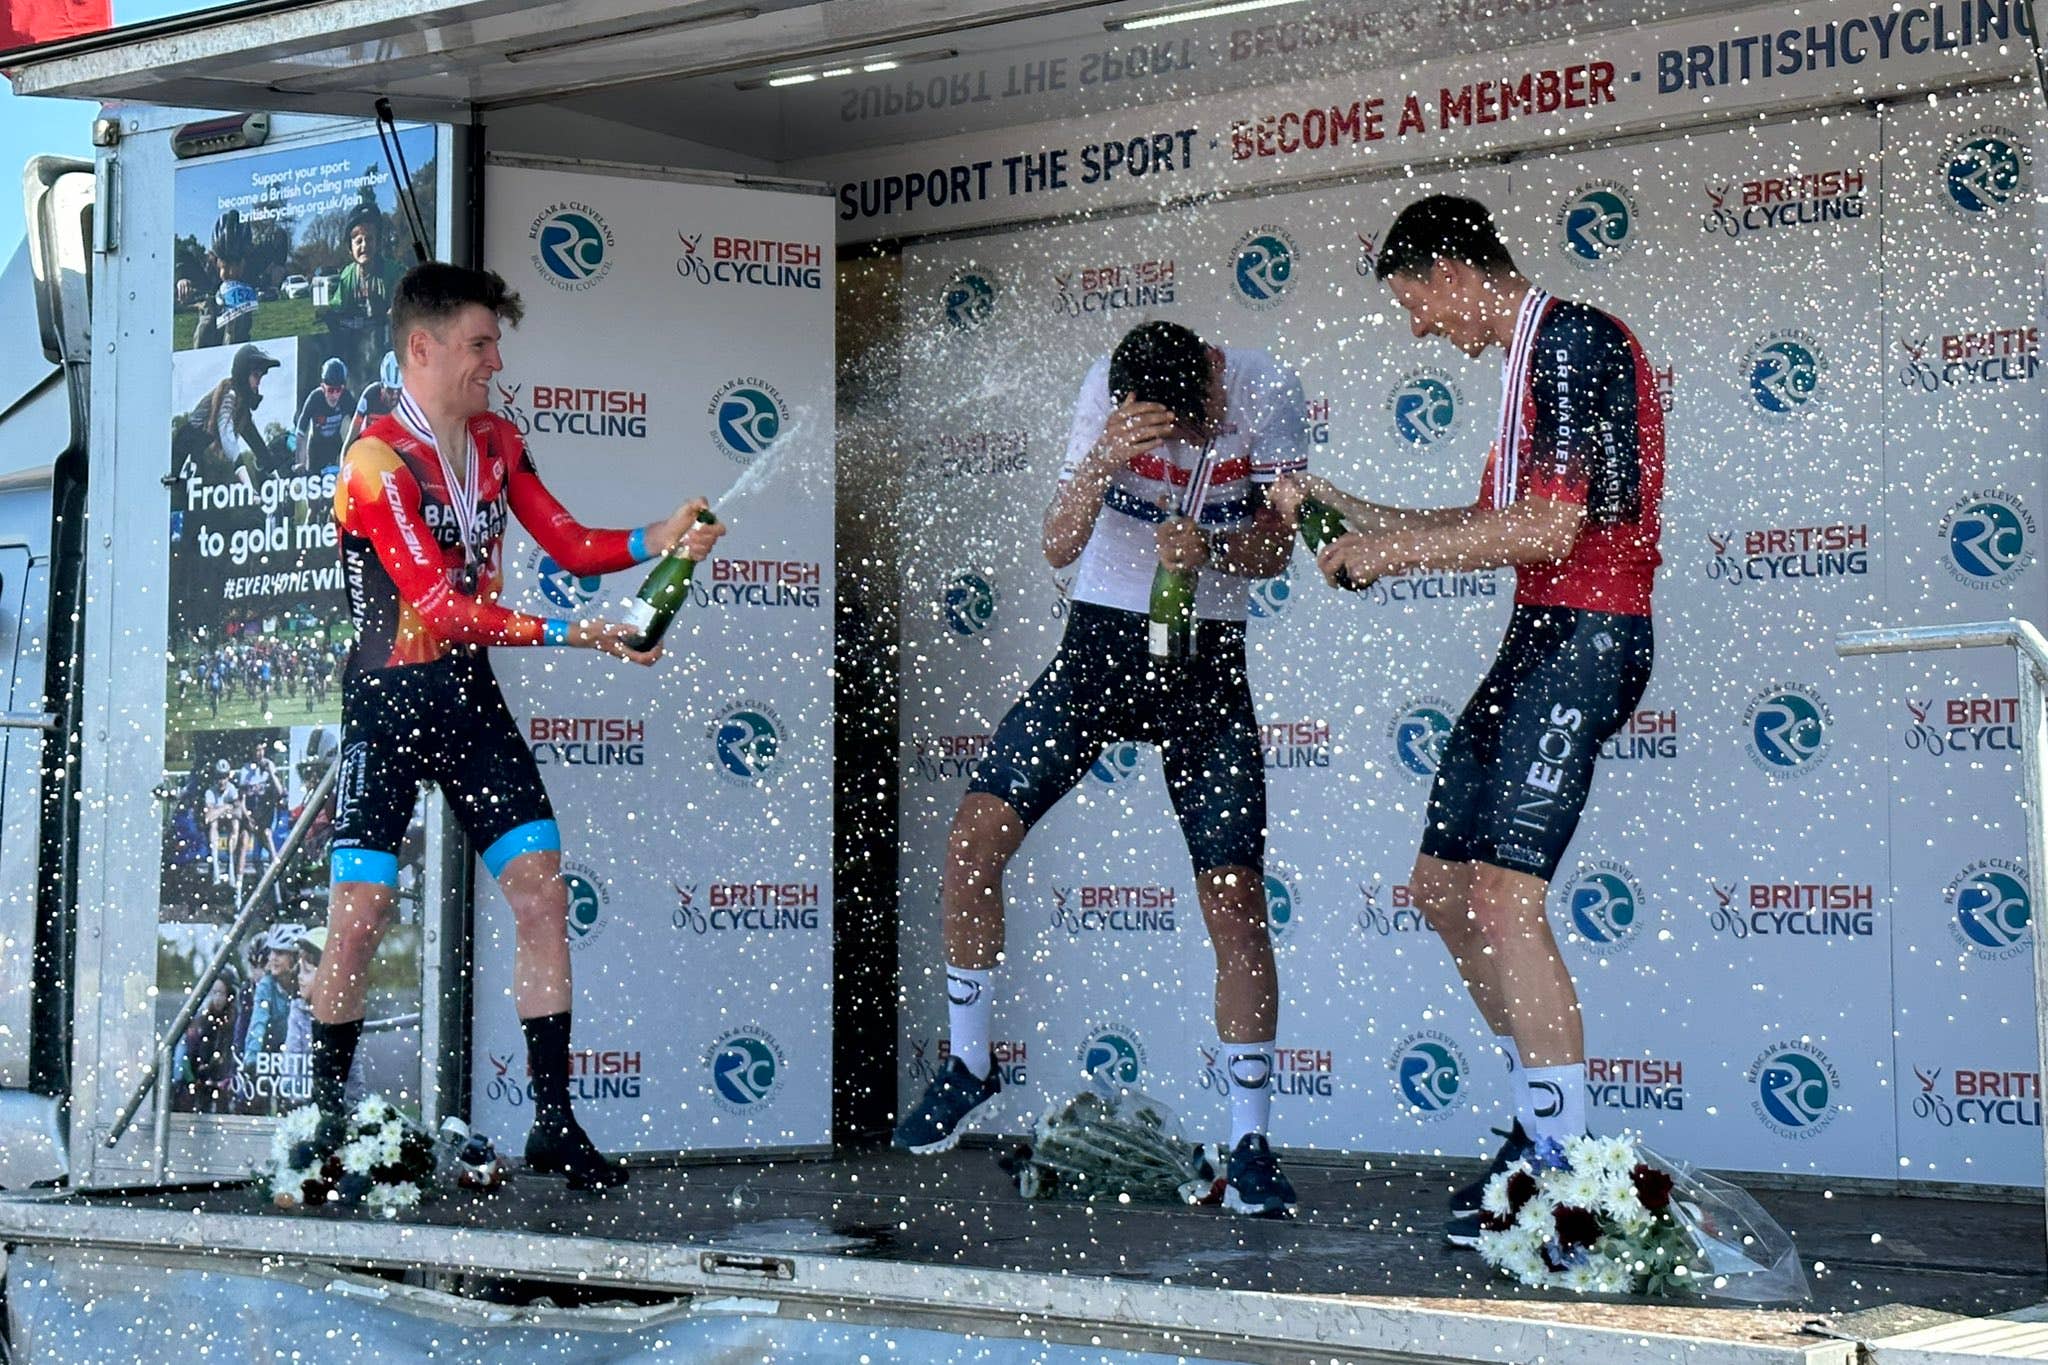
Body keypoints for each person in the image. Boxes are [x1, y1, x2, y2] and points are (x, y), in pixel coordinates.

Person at [1269, 194, 1663, 1246]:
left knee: (1499, 895)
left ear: (1451, 269)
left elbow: (1544, 528)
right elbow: (1483, 523)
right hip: (1540, 635)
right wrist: (1346, 509)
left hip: (1587, 636)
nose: (1419, 329)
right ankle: (1542, 1128)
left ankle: (1571, 1174)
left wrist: (1384, 557)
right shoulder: (1529, 361)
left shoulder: (1570, 340)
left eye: (1414, 303)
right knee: (1440, 890)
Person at [305, 260, 726, 1191]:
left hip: (471, 705)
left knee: (541, 898)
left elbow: (569, 541)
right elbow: (441, 608)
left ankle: (553, 1122)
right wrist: (579, 630)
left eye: (496, 343)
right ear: (424, 347)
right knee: (361, 920)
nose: (496, 361)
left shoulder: (497, 440)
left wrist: (659, 537)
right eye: (480, 344)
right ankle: (323, 1126)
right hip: (388, 707)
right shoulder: (374, 463)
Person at [892, 320, 1309, 1217]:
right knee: (972, 843)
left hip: (1206, 658)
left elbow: (1277, 551)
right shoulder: (1106, 395)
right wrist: (1098, 464)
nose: (1190, 441)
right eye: (1166, 428)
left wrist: (1215, 551)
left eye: (1197, 422)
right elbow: (1056, 541)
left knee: (1234, 898)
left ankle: (1251, 1143)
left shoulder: (1268, 388)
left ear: (1211, 375)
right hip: (1101, 650)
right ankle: (968, 1064)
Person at [172, 344, 282, 488]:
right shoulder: (229, 395)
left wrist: (278, 479)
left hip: (199, 453)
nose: (259, 382)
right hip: (185, 448)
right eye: (256, 375)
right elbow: (227, 435)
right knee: (178, 490)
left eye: (260, 376)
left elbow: (256, 442)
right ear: (244, 374)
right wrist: (248, 486)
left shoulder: (242, 408)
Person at [242, 924, 303, 1109]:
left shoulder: (304, 984)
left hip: (298, 1055)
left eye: (280, 953)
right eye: (272, 952)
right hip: (271, 1054)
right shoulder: (266, 986)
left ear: (295, 957)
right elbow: (258, 1021)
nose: (273, 958)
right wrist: (252, 1057)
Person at [296, 358, 357, 474]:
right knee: (312, 476)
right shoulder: (315, 398)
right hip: (315, 447)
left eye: (338, 390)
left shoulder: (346, 398)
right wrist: (300, 462)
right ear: (323, 387)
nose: (334, 396)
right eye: (330, 390)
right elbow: (300, 432)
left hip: (335, 443)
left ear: (343, 388)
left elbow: (360, 422)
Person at [344, 351, 404, 452]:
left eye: (398, 391)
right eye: (390, 390)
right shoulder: (370, 395)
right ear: (382, 386)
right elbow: (352, 435)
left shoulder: (406, 399)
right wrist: (344, 462)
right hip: (369, 447)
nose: (394, 395)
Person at [202, 759, 241, 887]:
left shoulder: (232, 789)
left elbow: (238, 812)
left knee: (235, 823)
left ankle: (230, 864)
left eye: (224, 777)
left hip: (228, 823)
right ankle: (216, 868)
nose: (222, 781)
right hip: (217, 824)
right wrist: (225, 808)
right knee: (213, 824)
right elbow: (208, 817)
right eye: (219, 777)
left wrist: (220, 811)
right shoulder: (210, 792)